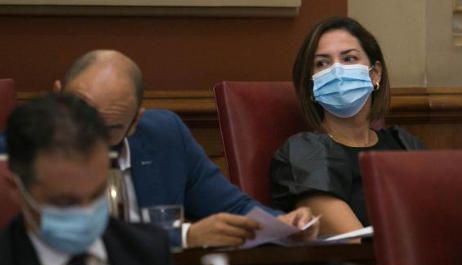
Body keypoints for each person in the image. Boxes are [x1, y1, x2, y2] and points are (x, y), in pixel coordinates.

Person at [0, 93, 198, 265]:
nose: (84, 212)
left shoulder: (145, 249)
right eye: (64, 202)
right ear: (14, 187)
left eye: (95, 196)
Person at [54, 49, 317, 248]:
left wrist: (282, 225)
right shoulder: (21, 148)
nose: (90, 134)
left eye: (109, 128)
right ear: (57, 96)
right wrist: (185, 236)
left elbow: (231, 207)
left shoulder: (164, 136)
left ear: (134, 122)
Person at [270, 17, 423, 236]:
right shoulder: (305, 152)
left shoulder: (404, 143)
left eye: (349, 58)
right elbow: (355, 242)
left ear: (374, 74)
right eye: (322, 63)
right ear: (311, 84)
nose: (337, 72)